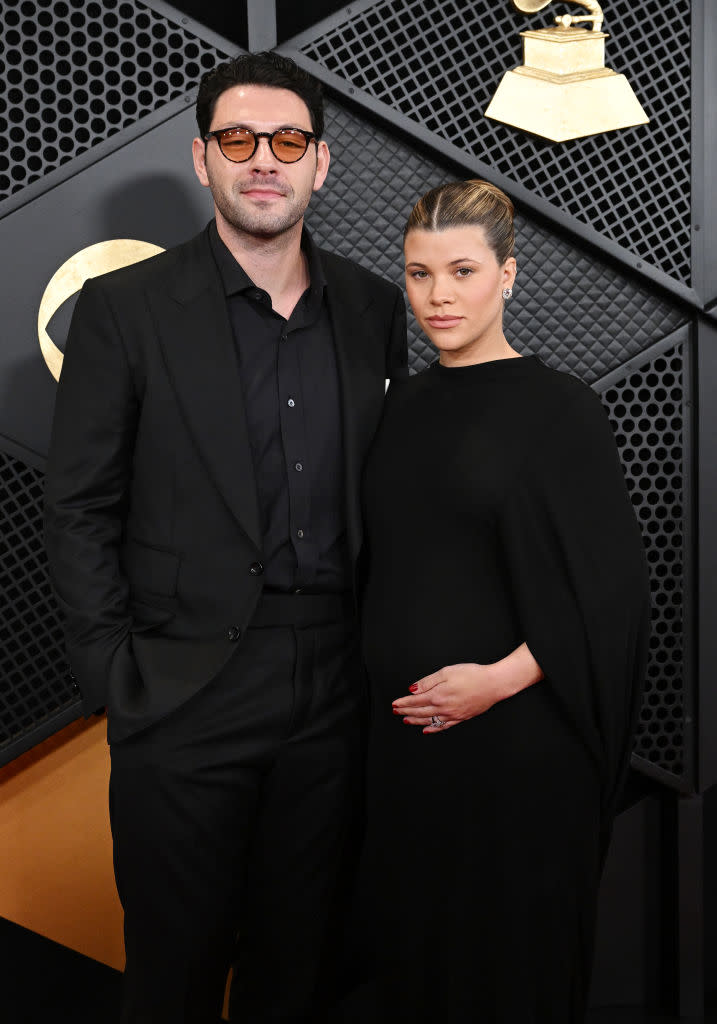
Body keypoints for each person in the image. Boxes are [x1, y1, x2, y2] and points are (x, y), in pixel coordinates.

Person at [44, 52, 407, 1023]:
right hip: (182, 688)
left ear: (321, 164)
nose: (263, 161)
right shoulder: (126, 310)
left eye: (287, 141)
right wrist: (115, 676)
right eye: (237, 140)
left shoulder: (375, 311)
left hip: (335, 687)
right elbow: (79, 502)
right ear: (202, 157)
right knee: (174, 973)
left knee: (302, 973)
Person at [350, 179, 650, 1022]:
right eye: (417, 274)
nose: (437, 296)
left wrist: (496, 681)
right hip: (405, 761)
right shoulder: (398, 407)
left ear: (507, 276)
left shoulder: (562, 411)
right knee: (414, 973)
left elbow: (613, 591)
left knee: (509, 973)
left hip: (516, 756)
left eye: (461, 271)